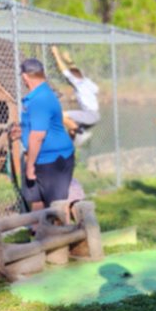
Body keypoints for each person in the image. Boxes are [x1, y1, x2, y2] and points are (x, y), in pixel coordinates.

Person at [16, 58, 75, 211]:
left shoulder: (40, 99)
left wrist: (30, 165)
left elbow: (38, 136)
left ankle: (62, 234)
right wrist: (22, 131)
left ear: (25, 77)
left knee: (56, 208)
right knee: (35, 201)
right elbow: (36, 126)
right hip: (41, 158)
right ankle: (39, 234)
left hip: (52, 161)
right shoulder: (39, 95)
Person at [50, 45, 100, 144]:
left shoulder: (78, 83)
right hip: (94, 115)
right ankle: (72, 141)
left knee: (61, 115)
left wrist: (56, 54)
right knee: (71, 130)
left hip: (90, 115)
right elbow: (76, 72)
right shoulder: (86, 81)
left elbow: (64, 70)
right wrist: (69, 60)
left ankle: (81, 133)